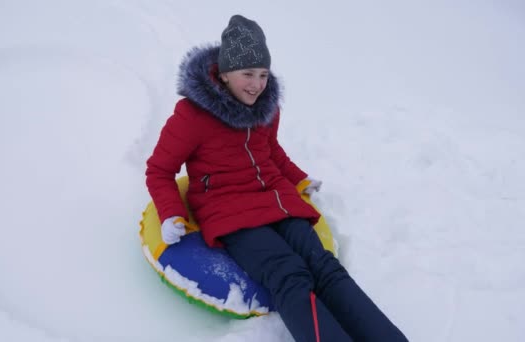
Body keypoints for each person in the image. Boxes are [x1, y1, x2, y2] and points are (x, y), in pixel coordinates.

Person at [146, 14, 407, 342]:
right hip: (229, 211)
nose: (257, 84)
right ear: (224, 74)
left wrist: (299, 179)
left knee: (325, 267)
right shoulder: (192, 115)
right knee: (289, 274)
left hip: (277, 199)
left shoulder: (266, 109)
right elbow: (159, 169)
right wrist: (171, 212)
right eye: (247, 74)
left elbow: (271, 152)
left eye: (263, 74)